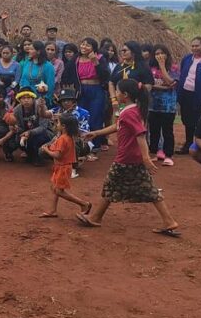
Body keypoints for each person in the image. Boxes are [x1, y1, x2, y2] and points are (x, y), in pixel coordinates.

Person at [80, 79, 181, 236]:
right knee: (146, 189)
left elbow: (140, 135)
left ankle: (95, 217)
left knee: (111, 185)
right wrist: (97, 133)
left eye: (118, 91)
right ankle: (169, 221)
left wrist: (147, 158)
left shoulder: (129, 112)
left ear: (125, 95)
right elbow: (118, 126)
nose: (116, 94)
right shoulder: (131, 110)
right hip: (132, 157)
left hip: (126, 158)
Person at [40, 115, 91, 218]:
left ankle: (84, 204)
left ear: (63, 126)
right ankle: (52, 210)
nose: (56, 124)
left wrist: (46, 150)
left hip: (62, 167)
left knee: (58, 191)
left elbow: (57, 155)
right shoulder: (68, 137)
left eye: (58, 123)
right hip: (62, 166)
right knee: (55, 188)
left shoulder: (63, 139)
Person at [176, 37, 201, 155]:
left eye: (197, 46)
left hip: (200, 96)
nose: (194, 48)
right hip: (185, 94)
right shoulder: (187, 59)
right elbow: (182, 75)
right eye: (192, 46)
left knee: (200, 120)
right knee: (187, 120)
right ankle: (188, 143)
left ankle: (200, 145)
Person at [148, 45, 179, 165]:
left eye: (162, 53)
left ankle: (168, 155)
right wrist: (163, 87)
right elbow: (149, 84)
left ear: (167, 54)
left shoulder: (174, 68)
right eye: (157, 54)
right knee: (154, 131)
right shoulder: (150, 68)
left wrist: (162, 66)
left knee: (167, 131)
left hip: (168, 105)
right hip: (153, 104)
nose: (159, 56)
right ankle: (154, 153)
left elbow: (171, 82)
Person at [5, 88, 52, 165]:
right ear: (19, 100)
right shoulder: (17, 109)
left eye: (28, 98)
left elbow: (43, 127)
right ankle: (30, 154)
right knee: (17, 140)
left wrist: (30, 132)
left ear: (33, 99)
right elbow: (18, 126)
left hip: (44, 133)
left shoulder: (40, 107)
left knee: (38, 138)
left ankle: (38, 156)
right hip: (26, 134)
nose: (26, 100)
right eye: (23, 98)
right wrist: (15, 128)